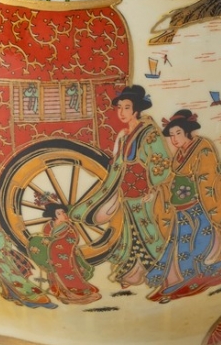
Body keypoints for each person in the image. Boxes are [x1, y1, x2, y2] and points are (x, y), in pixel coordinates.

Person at [147, 109, 221, 303]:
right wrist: (157, 189)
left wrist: (214, 192)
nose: (175, 139)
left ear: (188, 131)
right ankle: (177, 281)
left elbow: (208, 176)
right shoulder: (179, 154)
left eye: (178, 133)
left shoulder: (202, 147)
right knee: (179, 244)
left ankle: (193, 277)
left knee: (199, 242)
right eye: (171, 135)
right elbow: (173, 178)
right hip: (180, 209)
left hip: (199, 206)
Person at [72, 84, 173, 289]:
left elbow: (160, 160)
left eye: (127, 107)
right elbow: (119, 164)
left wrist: (153, 189)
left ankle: (161, 271)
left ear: (136, 110)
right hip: (126, 190)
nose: (122, 112)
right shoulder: (125, 135)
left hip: (143, 190)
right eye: (119, 107)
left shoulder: (149, 132)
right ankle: (135, 272)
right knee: (131, 232)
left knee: (147, 229)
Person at [0, 199, 56, 308]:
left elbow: (1, 245)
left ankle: (37, 298)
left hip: (4, 259)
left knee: (16, 279)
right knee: (6, 281)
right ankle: (15, 297)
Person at [28, 202, 101, 305]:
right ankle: (62, 293)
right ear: (54, 216)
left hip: (65, 254)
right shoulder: (48, 226)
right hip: (51, 254)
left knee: (69, 273)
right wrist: (49, 247)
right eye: (59, 213)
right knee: (54, 274)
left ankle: (78, 293)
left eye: (63, 212)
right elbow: (45, 240)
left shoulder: (68, 226)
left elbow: (73, 238)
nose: (63, 215)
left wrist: (58, 245)